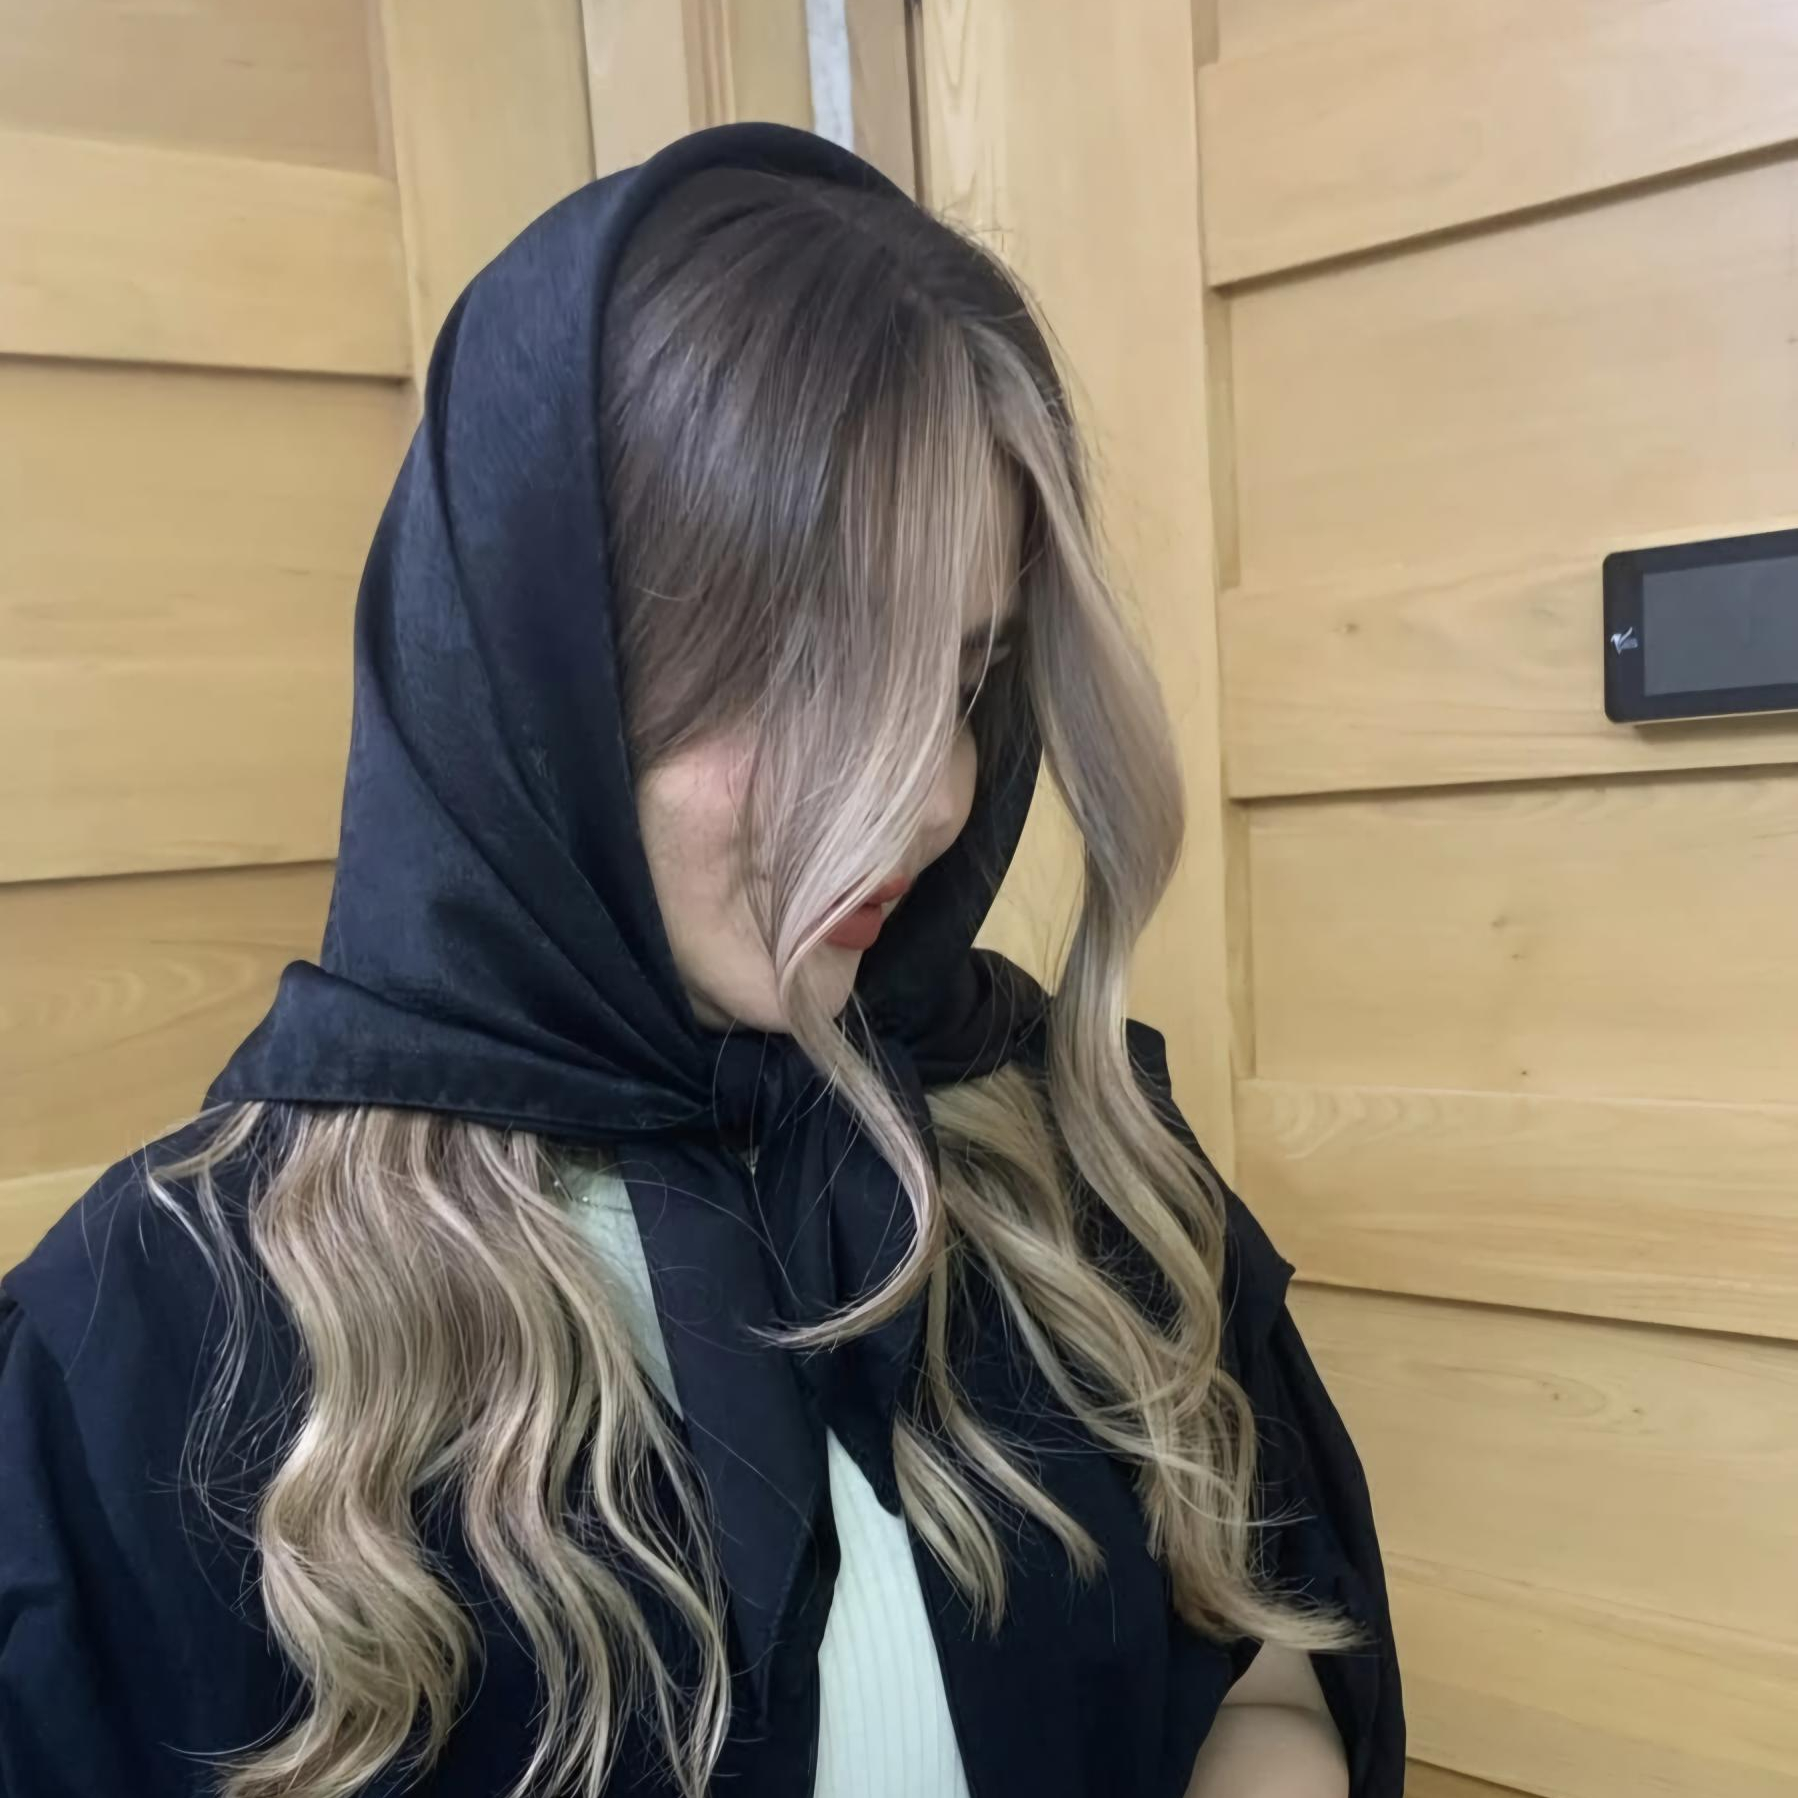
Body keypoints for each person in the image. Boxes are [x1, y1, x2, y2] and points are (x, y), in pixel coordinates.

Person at [0, 125, 1403, 1798]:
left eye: (962, 677)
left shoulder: (1063, 1153)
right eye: (813, 683)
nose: (925, 796)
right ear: (533, 674)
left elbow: (1263, 1669)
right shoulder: (149, 1343)